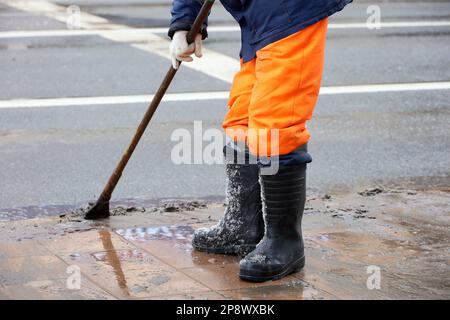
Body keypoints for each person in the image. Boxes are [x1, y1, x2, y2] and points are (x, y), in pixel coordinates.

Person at [168, 0, 352, 282]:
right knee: (241, 118)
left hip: (291, 12)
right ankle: (242, 226)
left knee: (276, 123)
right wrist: (183, 24)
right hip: (258, 17)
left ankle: (285, 243)